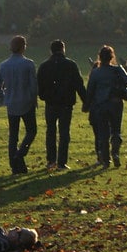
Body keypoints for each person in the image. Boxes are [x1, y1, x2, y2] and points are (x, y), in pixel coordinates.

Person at [37, 39, 87, 171]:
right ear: (63, 49)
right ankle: (62, 162)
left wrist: (43, 96)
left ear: (51, 50)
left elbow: (39, 85)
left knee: (51, 131)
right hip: (66, 102)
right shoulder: (71, 65)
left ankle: (51, 160)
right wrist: (86, 101)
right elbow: (79, 84)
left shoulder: (44, 66)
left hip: (51, 103)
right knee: (64, 132)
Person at [85, 45, 127, 167]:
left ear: (100, 57)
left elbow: (90, 90)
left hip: (101, 105)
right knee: (116, 129)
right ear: (112, 57)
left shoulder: (96, 72)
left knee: (103, 133)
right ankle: (116, 152)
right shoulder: (118, 70)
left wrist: (86, 105)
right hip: (116, 103)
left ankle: (106, 161)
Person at [0, 35, 38, 175]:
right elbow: (33, 86)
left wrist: (4, 97)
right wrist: (34, 99)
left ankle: (14, 166)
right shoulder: (28, 64)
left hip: (11, 103)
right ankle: (20, 154)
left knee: (13, 135)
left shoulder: (3, 65)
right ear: (23, 47)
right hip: (26, 102)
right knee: (31, 131)